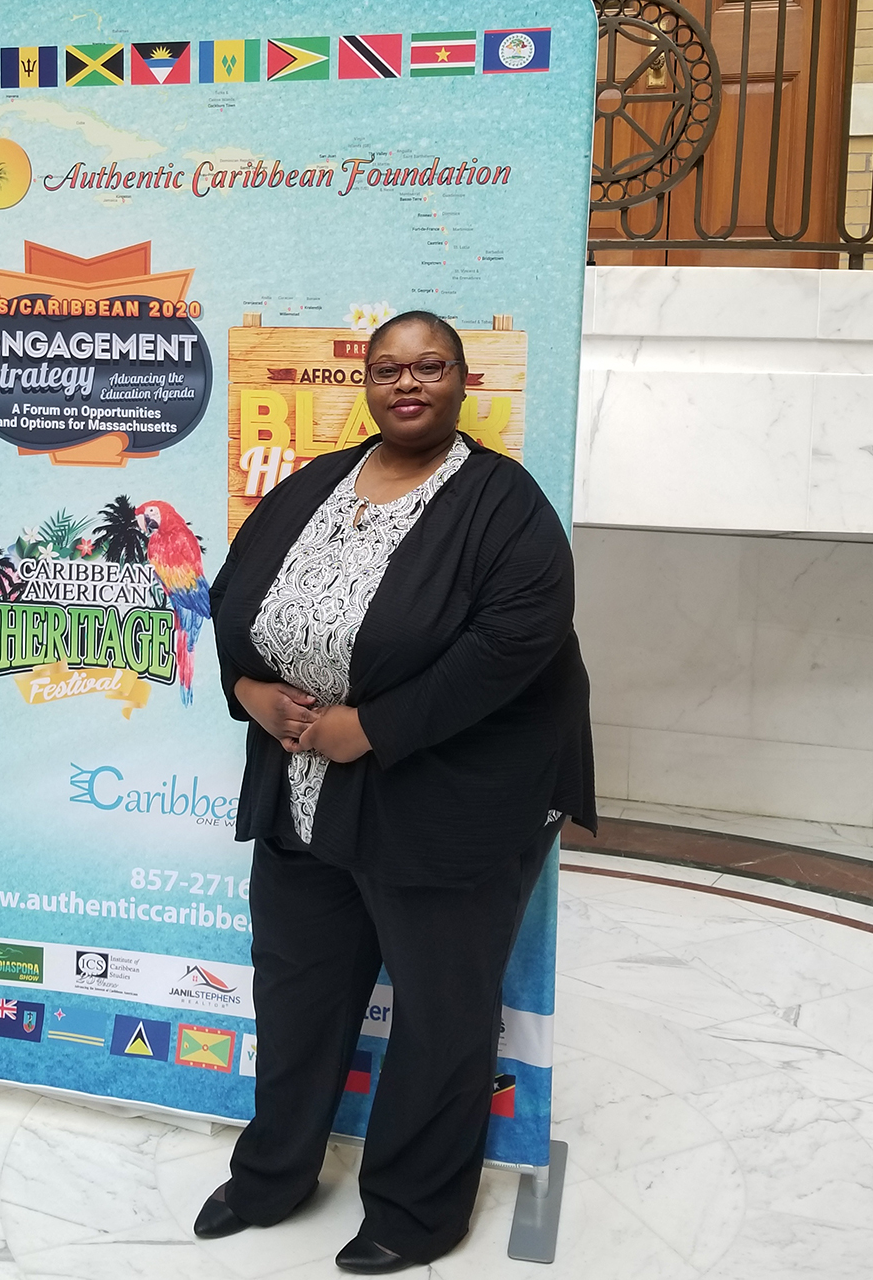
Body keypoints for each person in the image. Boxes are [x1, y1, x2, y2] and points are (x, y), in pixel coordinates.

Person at [200, 310, 595, 1273]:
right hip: (302, 792)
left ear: (464, 381)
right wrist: (251, 689)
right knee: (296, 988)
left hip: (449, 803)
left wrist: (371, 729)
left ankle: (415, 1210)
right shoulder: (316, 485)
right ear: (367, 384)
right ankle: (275, 1171)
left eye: (429, 366)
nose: (406, 383)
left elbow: (516, 641)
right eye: (388, 369)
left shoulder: (504, 504)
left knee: (440, 1008)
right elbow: (232, 596)